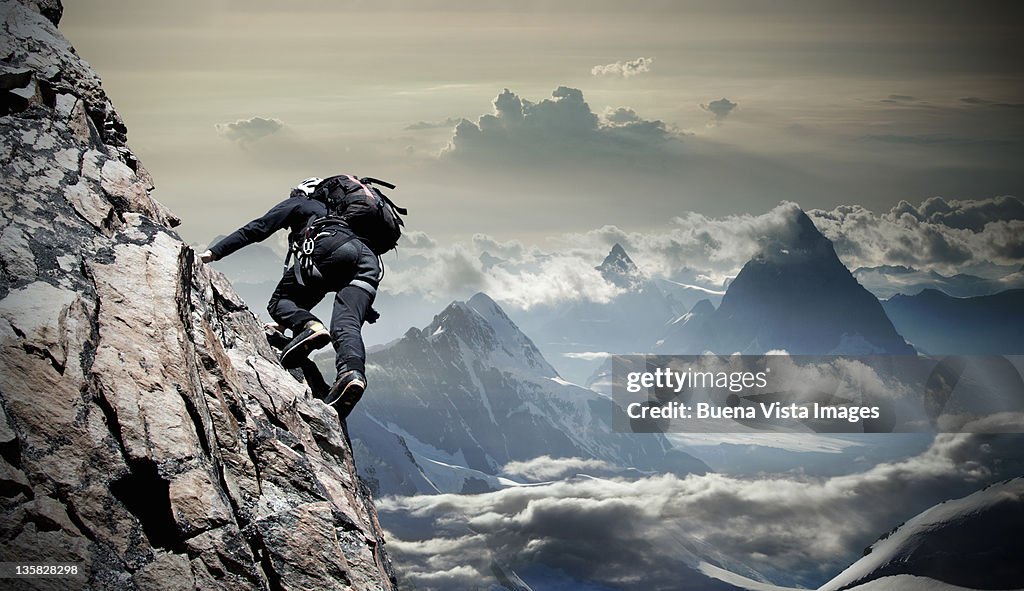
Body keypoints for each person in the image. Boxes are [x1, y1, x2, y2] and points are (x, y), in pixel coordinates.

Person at [200, 177, 381, 417]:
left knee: (278, 303)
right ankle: (352, 373)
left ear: (303, 192)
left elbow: (258, 228)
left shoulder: (300, 204)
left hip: (330, 247)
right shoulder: (344, 216)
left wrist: (214, 253)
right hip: (367, 259)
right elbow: (318, 287)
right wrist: (287, 322)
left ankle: (310, 325)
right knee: (346, 326)